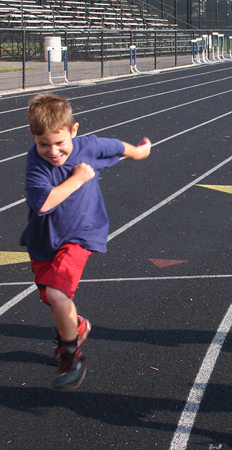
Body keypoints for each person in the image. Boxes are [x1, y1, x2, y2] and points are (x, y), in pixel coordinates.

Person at [21, 93, 152, 390]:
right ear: (33, 137)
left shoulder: (88, 146)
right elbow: (43, 204)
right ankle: (77, 326)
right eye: (43, 144)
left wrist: (141, 151)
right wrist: (78, 178)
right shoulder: (36, 164)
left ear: (74, 130)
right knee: (53, 298)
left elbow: (119, 147)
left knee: (56, 293)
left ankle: (71, 355)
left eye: (60, 143)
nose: (53, 152)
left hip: (81, 234)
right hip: (45, 239)